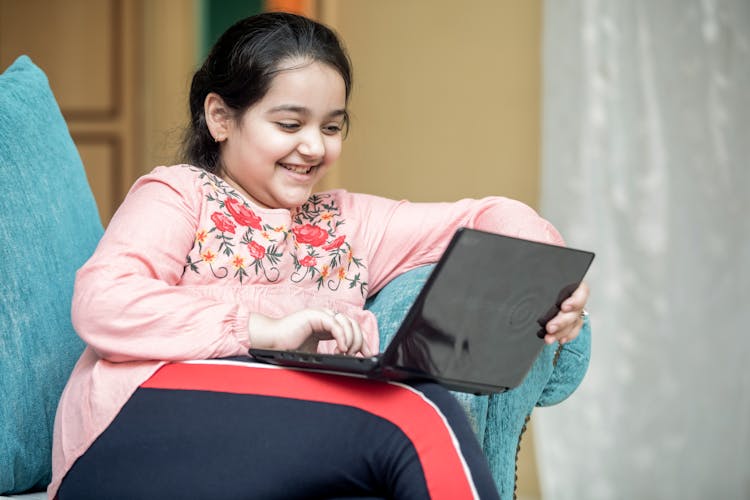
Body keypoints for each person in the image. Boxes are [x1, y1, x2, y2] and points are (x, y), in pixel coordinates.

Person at [51, 12, 589, 500]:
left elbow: (488, 213)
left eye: (332, 127)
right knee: (416, 413)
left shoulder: (348, 221)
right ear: (220, 117)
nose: (314, 146)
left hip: (262, 443)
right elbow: (102, 302)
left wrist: (550, 281)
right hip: (130, 433)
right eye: (289, 124)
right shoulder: (179, 194)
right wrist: (264, 329)